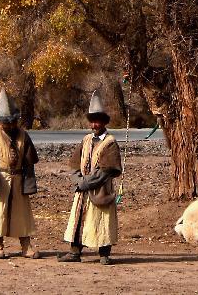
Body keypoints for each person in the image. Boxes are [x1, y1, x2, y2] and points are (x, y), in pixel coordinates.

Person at [0, 88, 40, 259]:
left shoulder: (23, 135)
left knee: (22, 214)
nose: (10, 126)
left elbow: (29, 161)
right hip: (1, 179)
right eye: (7, 123)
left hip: (17, 179)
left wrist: (29, 183)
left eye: (12, 122)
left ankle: (26, 246)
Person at [58, 90, 122, 266]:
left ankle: (104, 254)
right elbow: (74, 163)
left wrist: (85, 183)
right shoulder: (86, 140)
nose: (95, 125)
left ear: (104, 122)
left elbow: (106, 171)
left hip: (101, 189)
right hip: (83, 189)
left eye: (98, 121)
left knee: (102, 221)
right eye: (92, 121)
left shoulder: (110, 143)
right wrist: (78, 180)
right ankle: (74, 252)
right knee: (78, 221)